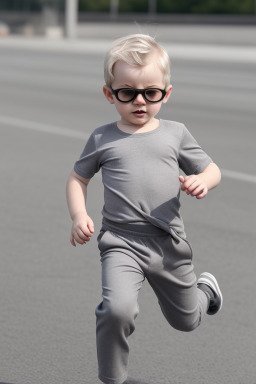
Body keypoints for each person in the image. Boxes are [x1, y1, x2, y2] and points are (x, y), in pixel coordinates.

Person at [66, 34, 223, 384]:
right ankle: (113, 378)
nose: (139, 101)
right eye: (127, 92)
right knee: (116, 310)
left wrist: (203, 182)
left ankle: (206, 290)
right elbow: (77, 178)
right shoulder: (102, 138)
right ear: (110, 94)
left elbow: (212, 169)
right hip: (121, 243)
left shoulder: (175, 133)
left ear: (166, 93)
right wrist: (80, 215)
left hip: (169, 244)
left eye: (150, 92)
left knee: (187, 321)